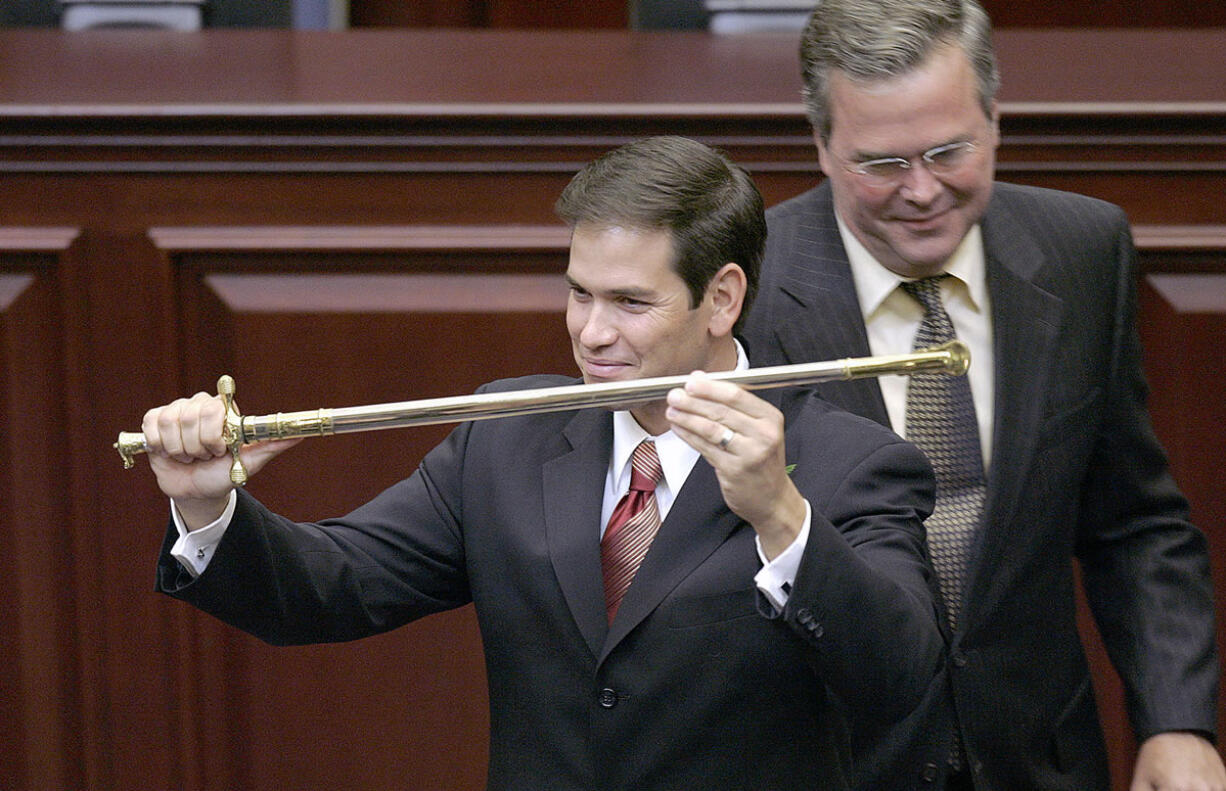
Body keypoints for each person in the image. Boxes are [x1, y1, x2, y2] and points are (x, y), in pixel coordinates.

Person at [142, 136, 944, 791]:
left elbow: (897, 678)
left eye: (630, 303)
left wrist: (781, 516)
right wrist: (211, 509)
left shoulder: (849, 462)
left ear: (723, 298)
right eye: (579, 294)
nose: (592, 333)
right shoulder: (509, 435)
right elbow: (333, 587)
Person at [742, 2, 1224, 790]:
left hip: (1040, 758)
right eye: (883, 163)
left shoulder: (1082, 250)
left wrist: (1176, 723)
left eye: (948, 150)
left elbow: (1134, 521)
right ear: (823, 146)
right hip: (830, 762)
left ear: (996, 120)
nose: (923, 191)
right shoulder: (748, 287)